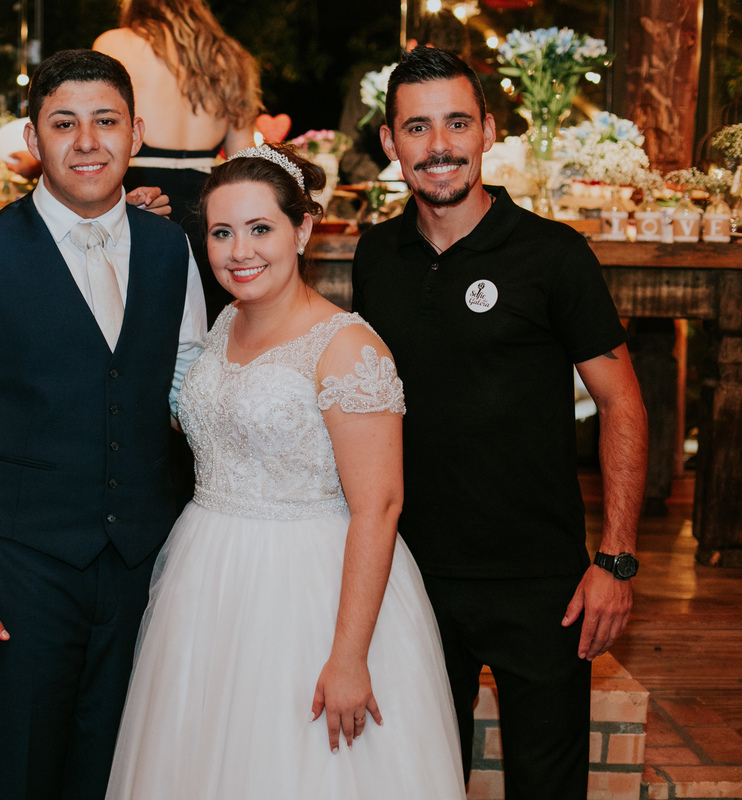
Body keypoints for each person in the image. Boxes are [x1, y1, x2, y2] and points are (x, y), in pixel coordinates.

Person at [105, 143, 465, 798]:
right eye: (221, 232)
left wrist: (350, 656)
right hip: (205, 575)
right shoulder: (223, 325)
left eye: (260, 228)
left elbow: (379, 506)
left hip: (307, 588)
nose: (238, 251)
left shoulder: (347, 347)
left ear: (301, 229)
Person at [0, 49, 207, 799]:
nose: (87, 142)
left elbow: (188, 393)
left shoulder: (172, 248)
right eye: (63, 123)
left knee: (120, 778)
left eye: (105, 121)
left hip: (141, 569)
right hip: (22, 574)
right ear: (32, 138)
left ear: (136, 134)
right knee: (17, 776)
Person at [352, 46, 648, 800]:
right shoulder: (376, 255)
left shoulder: (553, 254)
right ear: (389, 141)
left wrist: (615, 560)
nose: (439, 145)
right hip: (412, 579)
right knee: (418, 787)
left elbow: (622, 404)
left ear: (488, 131)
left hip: (542, 584)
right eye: (417, 127)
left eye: (457, 123)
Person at [94, 0, 261, 322]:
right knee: (206, 323)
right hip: (209, 210)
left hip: (141, 202)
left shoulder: (114, 43)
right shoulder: (230, 55)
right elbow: (244, 162)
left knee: (135, 323)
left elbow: (97, 132)